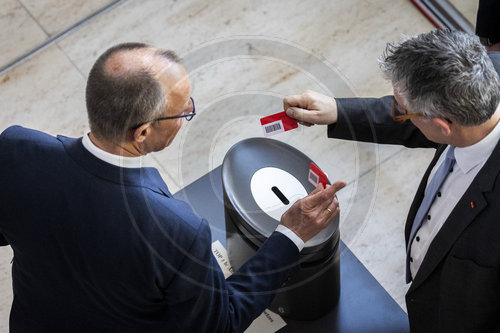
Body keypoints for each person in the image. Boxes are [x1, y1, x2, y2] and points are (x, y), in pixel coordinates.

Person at [0, 43, 345, 332]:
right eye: (183, 111)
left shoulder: (17, 149)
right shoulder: (176, 231)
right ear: (143, 132)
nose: (187, 115)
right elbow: (219, 323)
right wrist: (290, 236)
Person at [284, 29, 500, 332]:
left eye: (402, 110)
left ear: (441, 125)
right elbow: (414, 117)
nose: (396, 111)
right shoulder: (487, 73)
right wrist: (338, 111)